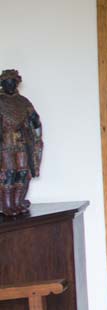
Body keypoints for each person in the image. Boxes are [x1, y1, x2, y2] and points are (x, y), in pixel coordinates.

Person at [0, 70, 43, 216]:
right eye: (6, 83)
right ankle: (7, 204)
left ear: (16, 83)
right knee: (9, 172)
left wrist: (36, 134)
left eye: (12, 82)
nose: (10, 85)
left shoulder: (23, 102)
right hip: (5, 142)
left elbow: (35, 120)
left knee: (23, 171)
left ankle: (17, 202)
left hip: (22, 141)